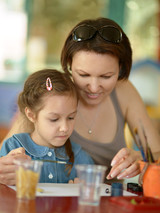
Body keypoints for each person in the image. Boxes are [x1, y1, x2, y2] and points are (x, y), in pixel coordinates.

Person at [1, 17, 160, 183]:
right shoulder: (52, 95)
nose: (93, 87)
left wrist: (140, 159)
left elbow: (156, 154)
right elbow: (5, 157)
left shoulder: (124, 92)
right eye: (83, 75)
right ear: (69, 64)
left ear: (120, 69)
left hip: (108, 203)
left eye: (106, 76)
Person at [0, 69, 94, 185]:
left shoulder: (81, 159)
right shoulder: (13, 147)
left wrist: (80, 193)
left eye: (71, 118)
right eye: (54, 119)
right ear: (31, 115)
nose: (65, 128)